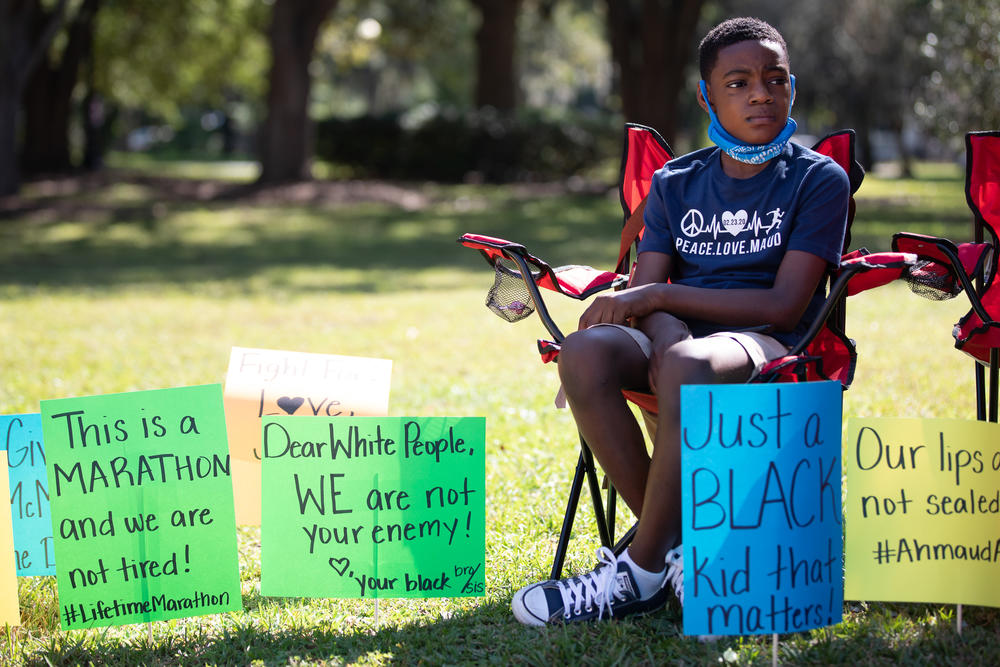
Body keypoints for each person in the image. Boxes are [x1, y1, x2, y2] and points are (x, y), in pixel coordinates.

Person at [511, 16, 849, 626]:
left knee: (690, 363)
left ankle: (637, 571)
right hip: (677, 337)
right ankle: (684, 551)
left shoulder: (817, 180)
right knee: (584, 355)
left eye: (776, 79)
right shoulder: (676, 181)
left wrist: (659, 308)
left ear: (792, 87)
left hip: (765, 341)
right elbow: (647, 291)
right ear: (708, 96)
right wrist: (659, 318)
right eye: (739, 82)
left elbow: (784, 306)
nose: (761, 95)